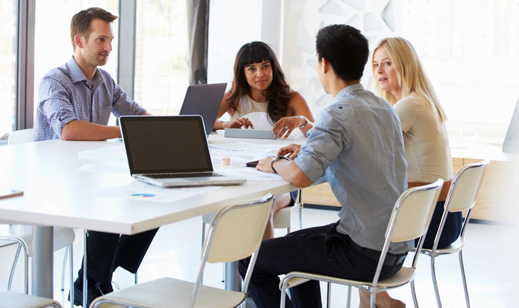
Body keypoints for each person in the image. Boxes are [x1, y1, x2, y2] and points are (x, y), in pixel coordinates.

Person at [238, 25, 409, 308]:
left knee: (252, 261)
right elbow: (357, 155)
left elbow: (300, 176)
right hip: (394, 248)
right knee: (297, 247)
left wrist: (274, 162)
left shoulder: (337, 113)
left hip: (363, 253)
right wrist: (307, 150)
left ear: (324, 63)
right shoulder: (383, 107)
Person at [34, 7, 156, 307]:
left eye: (110, 40)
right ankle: (91, 284)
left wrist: (167, 127)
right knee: (111, 205)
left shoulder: (104, 81)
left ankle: (92, 281)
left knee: (153, 200)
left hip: (90, 177)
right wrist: (124, 131)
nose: (109, 48)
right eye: (101, 40)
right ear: (79, 39)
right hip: (55, 182)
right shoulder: (54, 81)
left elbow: (137, 115)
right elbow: (69, 130)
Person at [358, 37, 462, 308]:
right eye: (376, 64)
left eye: (388, 63)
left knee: (355, 229)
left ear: (404, 66)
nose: (379, 71)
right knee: (361, 220)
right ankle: (374, 300)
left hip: (430, 222)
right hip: (446, 221)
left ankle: (378, 300)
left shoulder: (410, 105)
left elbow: (362, 145)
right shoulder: (421, 101)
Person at [214, 41, 315, 239]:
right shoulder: (232, 99)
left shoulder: (292, 99)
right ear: (242, 72)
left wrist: (300, 121)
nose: (259, 74)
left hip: (281, 177)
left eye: (265, 66)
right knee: (238, 206)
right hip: (243, 174)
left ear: (273, 68)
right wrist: (225, 125)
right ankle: (247, 266)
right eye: (252, 68)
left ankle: (260, 267)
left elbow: (316, 135)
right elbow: (203, 122)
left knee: (262, 208)